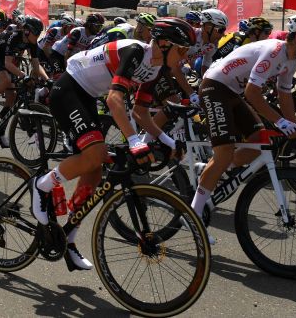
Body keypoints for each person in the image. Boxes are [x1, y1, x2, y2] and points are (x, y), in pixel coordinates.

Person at [30, 17, 198, 271]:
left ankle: (68, 240)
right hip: (68, 89)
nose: (184, 57)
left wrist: (166, 140)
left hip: (87, 96)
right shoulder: (135, 51)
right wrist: (133, 141)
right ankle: (41, 185)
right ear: (163, 44)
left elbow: (141, 112)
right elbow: (114, 99)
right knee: (96, 153)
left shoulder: (157, 68)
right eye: (182, 50)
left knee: (94, 173)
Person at [191, 14, 296, 224]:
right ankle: (194, 215)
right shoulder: (275, 51)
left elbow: (285, 97)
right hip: (214, 87)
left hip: (232, 92)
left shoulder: (290, 62)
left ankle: (214, 169)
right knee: (225, 152)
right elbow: (252, 93)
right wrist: (280, 122)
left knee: (259, 141)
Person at [0, 15, 50, 146]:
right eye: (36, 33)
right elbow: (7, 64)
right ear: (27, 31)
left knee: (12, 97)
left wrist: (47, 79)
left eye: (40, 33)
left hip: (9, 62)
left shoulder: (32, 42)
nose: (38, 36)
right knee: (6, 80)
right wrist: (23, 75)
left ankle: (0, 129)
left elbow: (36, 64)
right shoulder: (14, 36)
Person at [207, 16, 273, 65]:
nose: (268, 35)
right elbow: (234, 60)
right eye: (267, 32)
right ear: (256, 32)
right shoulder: (241, 38)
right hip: (209, 63)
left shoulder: (250, 40)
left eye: (270, 32)